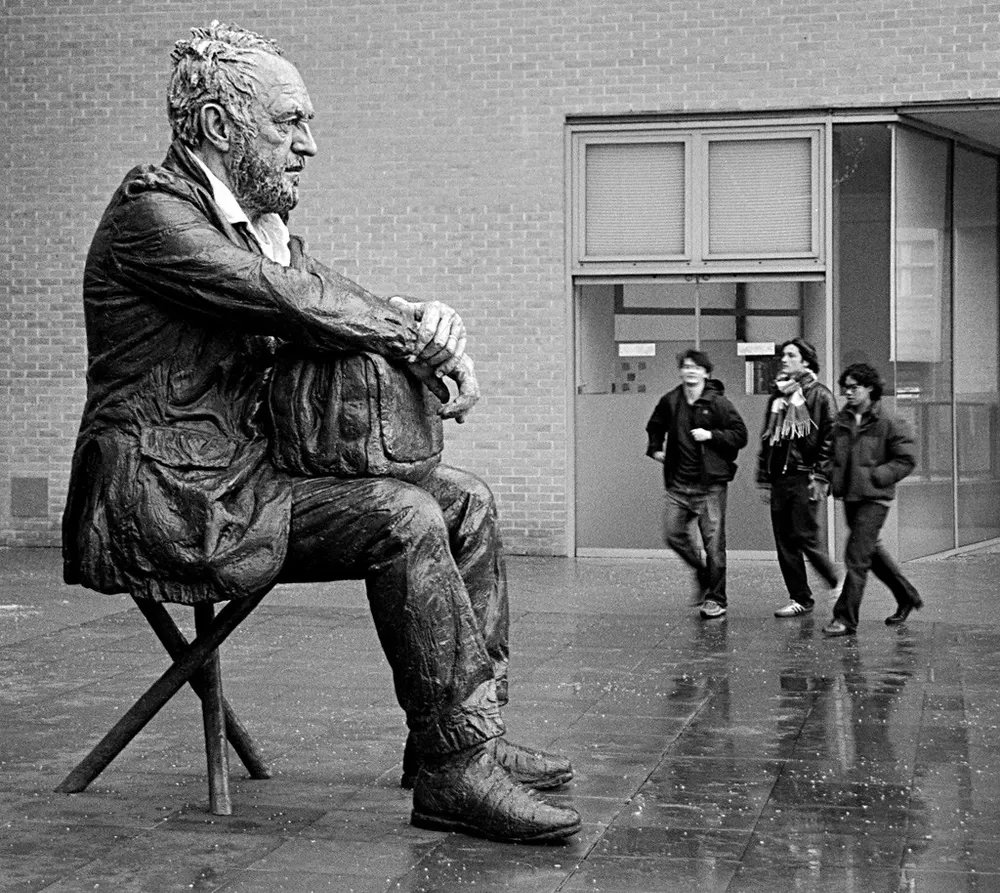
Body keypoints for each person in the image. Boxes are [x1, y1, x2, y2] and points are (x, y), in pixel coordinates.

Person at [61, 21, 581, 843]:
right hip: (170, 497)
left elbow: (328, 292)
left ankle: (456, 740)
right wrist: (412, 338)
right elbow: (287, 299)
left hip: (247, 478)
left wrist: (428, 329)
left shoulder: (248, 228)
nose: (308, 145)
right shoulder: (151, 218)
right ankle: (456, 777)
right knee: (402, 517)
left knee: (466, 503)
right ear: (222, 129)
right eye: (289, 122)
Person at [645, 349, 748, 620]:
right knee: (672, 534)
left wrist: (710, 435)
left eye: (696, 367)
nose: (690, 371)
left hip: (709, 486)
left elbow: (740, 435)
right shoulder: (671, 401)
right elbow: (654, 425)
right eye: (686, 366)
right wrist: (655, 449)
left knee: (714, 544)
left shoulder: (718, 404)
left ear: (706, 373)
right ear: (680, 371)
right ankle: (702, 573)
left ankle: (716, 599)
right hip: (678, 485)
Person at [821, 363, 922, 637]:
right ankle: (907, 596)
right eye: (845, 388)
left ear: (869, 388)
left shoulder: (888, 421)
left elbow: (907, 459)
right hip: (851, 496)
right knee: (870, 554)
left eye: (854, 387)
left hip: (875, 498)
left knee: (855, 557)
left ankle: (845, 619)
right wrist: (830, 476)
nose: (848, 392)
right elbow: (831, 455)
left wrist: (879, 475)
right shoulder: (843, 420)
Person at [757, 337, 840, 617]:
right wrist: (764, 477)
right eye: (783, 355)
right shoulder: (778, 396)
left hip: (806, 476)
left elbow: (831, 438)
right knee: (785, 542)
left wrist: (821, 476)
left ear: (805, 361)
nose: (784, 359)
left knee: (805, 536)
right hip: (780, 477)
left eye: (791, 355)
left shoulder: (820, 395)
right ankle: (800, 598)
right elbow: (769, 439)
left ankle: (836, 582)